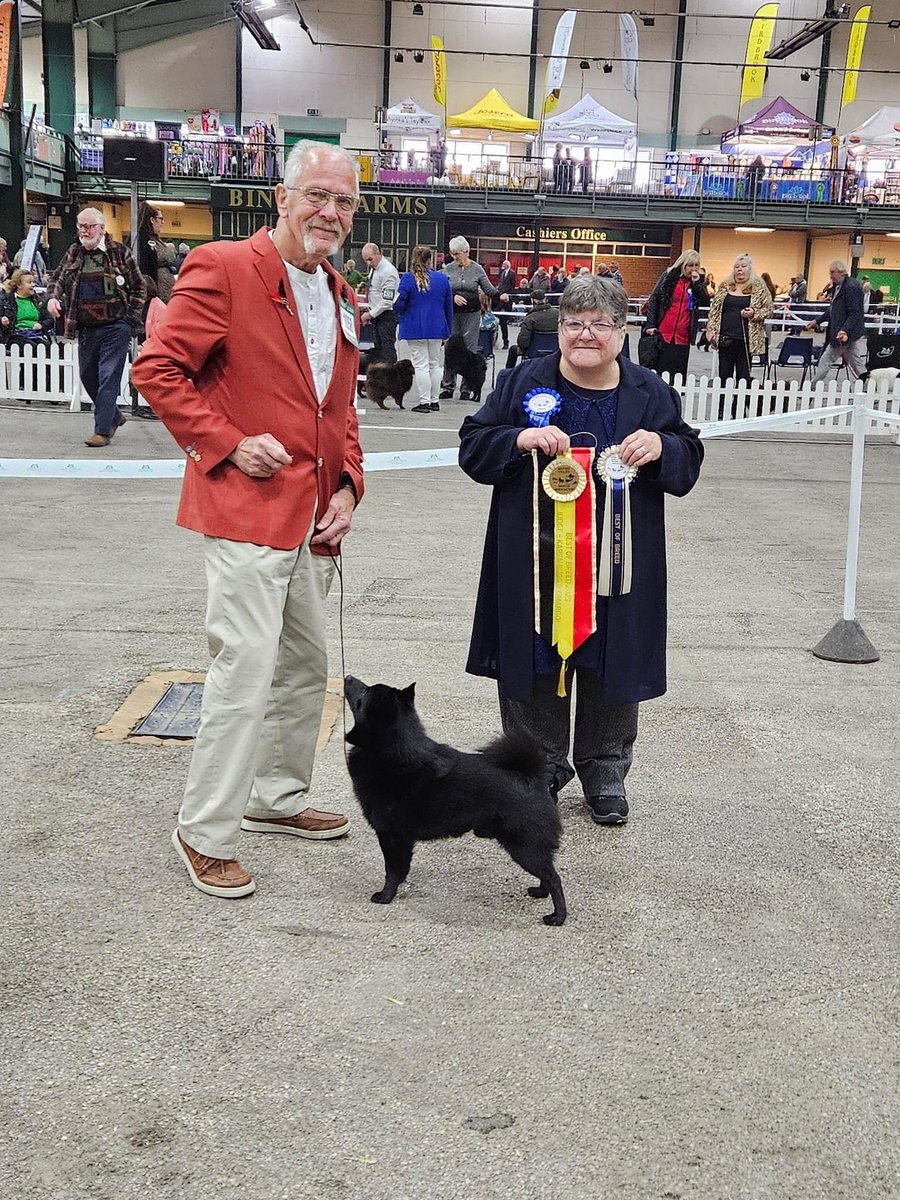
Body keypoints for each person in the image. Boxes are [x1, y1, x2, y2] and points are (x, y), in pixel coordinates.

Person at [131, 140, 365, 899]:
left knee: (304, 666)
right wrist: (227, 443)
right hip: (245, 510)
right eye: (317, 196)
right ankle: (203, 830)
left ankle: (275, 796)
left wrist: (350, 488)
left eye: (344, 202)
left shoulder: (340, 291)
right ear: (282, 197)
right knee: (245, 670)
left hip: (312, 518)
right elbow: (157, 371)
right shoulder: (225, 267)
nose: (330, 212)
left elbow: (341, 409)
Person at [459, 274, 704, 826]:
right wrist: (518, 439)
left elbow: (688, 460)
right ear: (560, 328)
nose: (585, 334)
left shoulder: (651, 393)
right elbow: (473, 447)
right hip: (535, 562)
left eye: (600, 324)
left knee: (610, 659)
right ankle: (537, 769)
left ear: (622, 332)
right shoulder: (521, 382)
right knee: (536, 655)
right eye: (574, 323)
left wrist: (663, 445)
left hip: (618, 562)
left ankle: (605, 770)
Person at [45, 206, 145, 448]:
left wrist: (130, 319)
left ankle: (102, 431)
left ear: (102, 229)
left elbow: (140, 287)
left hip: (116, 326)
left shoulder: (120, 253)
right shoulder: (73, 252)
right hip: (87, 327)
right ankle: (113, 417)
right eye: (80, 226)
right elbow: (57, 279)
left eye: (88, 226)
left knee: (108, 376)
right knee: (87, 375)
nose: (83, 231)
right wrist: (52, 298)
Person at [440, 236, 508, 401]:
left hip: (472, 314)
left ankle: (466, 388)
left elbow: (488, 289)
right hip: (452, 314)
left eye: (457, 253)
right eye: (453, 253)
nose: (455, 257)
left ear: (466, 251)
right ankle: (448, 386)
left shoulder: (477, 269)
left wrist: (501, 296)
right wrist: (453, 296)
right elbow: (441, 289)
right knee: (450, 350)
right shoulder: (447, 269)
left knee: (469, 350)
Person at [705, 254, 773, 416]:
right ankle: (721, 410)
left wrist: (753, 313)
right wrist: (710, 330)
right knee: (723, 377)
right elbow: (714, 311)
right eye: (737, 267)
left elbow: (769, 309)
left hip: (746, 341)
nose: (739, 269)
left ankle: (738, 410)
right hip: (725, 339)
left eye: (743, 266)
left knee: (743, 378)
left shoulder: (759, 287)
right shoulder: (725, 286)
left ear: (750, 269)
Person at [392, 244, 453, 414]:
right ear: (430, 260)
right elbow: (449, 306)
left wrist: (398, 307)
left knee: (421, 365)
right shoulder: (442, 279)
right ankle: (434, 401)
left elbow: (399, 304)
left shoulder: (407, 279)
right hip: (438, 327)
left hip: (414, 327)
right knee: (435, 364)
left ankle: (424, 401)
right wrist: (448, 329)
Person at [644, 250, 708, 381]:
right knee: (661, 373)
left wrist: (697, 284)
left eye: (696, 265)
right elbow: (654, 299)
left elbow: (704, 300)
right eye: (690, 265)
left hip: (683, 334)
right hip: (664, 332)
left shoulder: (698, 282)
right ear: (683, 264)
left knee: (678, 374)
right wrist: (650, 325)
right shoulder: (668, 276)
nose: (693, 269)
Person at [805, 260, 867, 382]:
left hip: (843, 334)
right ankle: (870, 386)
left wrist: (844, 330)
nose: (830, 275)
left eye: (833, 272)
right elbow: (833, 310)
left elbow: (854, 312)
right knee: (857, 363)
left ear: (842, 272)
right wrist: (817, 321)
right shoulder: (838, 287)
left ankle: (811, 388)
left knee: (825, 360)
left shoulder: (851, 288)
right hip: (845, 333)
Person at [360, 242, 399, 366]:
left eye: (370, 259)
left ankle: (390, 376)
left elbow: (387, 300)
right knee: (378, 349)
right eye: (365, 260)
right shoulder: (374, 269)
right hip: (377, 315)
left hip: (387, 315)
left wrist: (370, 314)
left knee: (387, 349)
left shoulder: (388, 271)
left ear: (378, 254)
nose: (368, 263)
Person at [505, 287, 558, 369]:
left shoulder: (530, 318)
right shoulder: (558, 314)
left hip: (533, 351)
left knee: (513, 350)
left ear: (532, 301)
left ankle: (508, 375)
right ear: (545, 299)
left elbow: (523, 342)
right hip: (555, 351)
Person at [0, 268, 55, 346]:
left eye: (33, 282)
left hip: (36, 335)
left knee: (47, 347)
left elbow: (50, 320)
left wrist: (41, 325)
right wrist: (2, 320)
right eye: (29, 282)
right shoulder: (5, 300)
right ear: (19, 285)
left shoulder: (38, 300)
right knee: (32, 347)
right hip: (13, 338)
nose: (33, 285)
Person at [496, 259, 517, 349]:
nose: (502, 265)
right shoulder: (502, 273)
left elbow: (512, 286)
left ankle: (506, 341)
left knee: (503, 321)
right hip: (500, 299)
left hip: (507, 300)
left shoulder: (512, 273)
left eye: (504, 264)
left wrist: (508, 296)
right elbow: (501, 284)